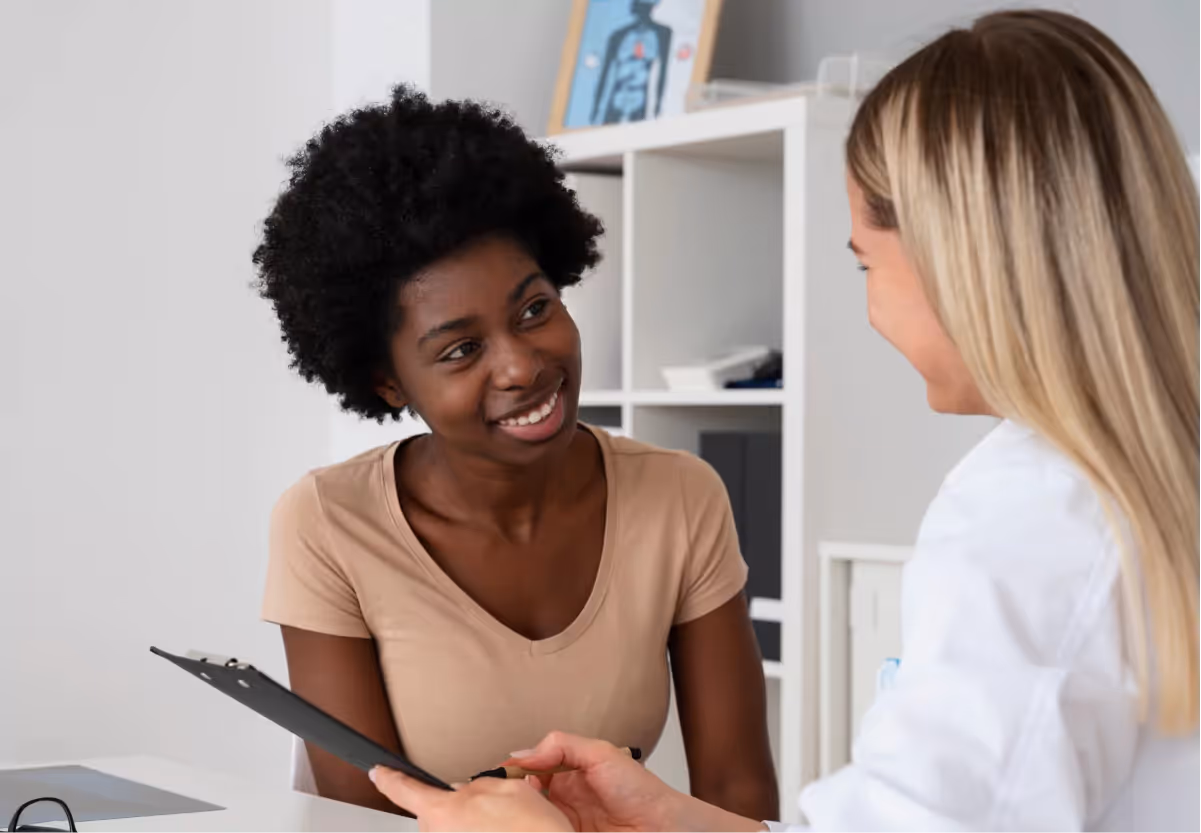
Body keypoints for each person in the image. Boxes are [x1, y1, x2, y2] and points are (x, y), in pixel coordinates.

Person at [366, 9, 1201, 832]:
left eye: (866, 263)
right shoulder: (1124, 487)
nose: (871, 311)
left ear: (961, 256)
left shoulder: (1032, 516)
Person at [253, 88, 778, 819]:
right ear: (387, 380)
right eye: (462, 349)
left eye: (535, 310)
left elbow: (739, 799)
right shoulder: (328, 523)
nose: (522, 365)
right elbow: (359, 818)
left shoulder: (680, 496)